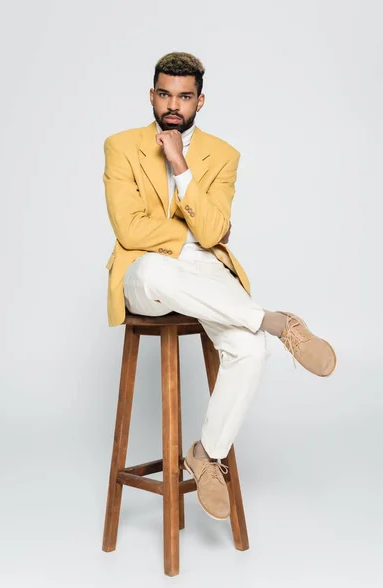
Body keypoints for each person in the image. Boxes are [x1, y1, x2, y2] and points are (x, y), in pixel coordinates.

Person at [102, 51, 337, 521]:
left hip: (205, 271)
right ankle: (275, 321)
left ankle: (207, 456)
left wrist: (180, 166)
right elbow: (130, 232)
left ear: (200, 101)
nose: (173, 105)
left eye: (184, 97)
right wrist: (192, 232)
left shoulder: (223, 155)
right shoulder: (121, 146)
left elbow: (213, 237)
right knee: (154, 272)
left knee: (251, 352)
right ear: (151, 95)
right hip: (146, 273)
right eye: (165, 94)